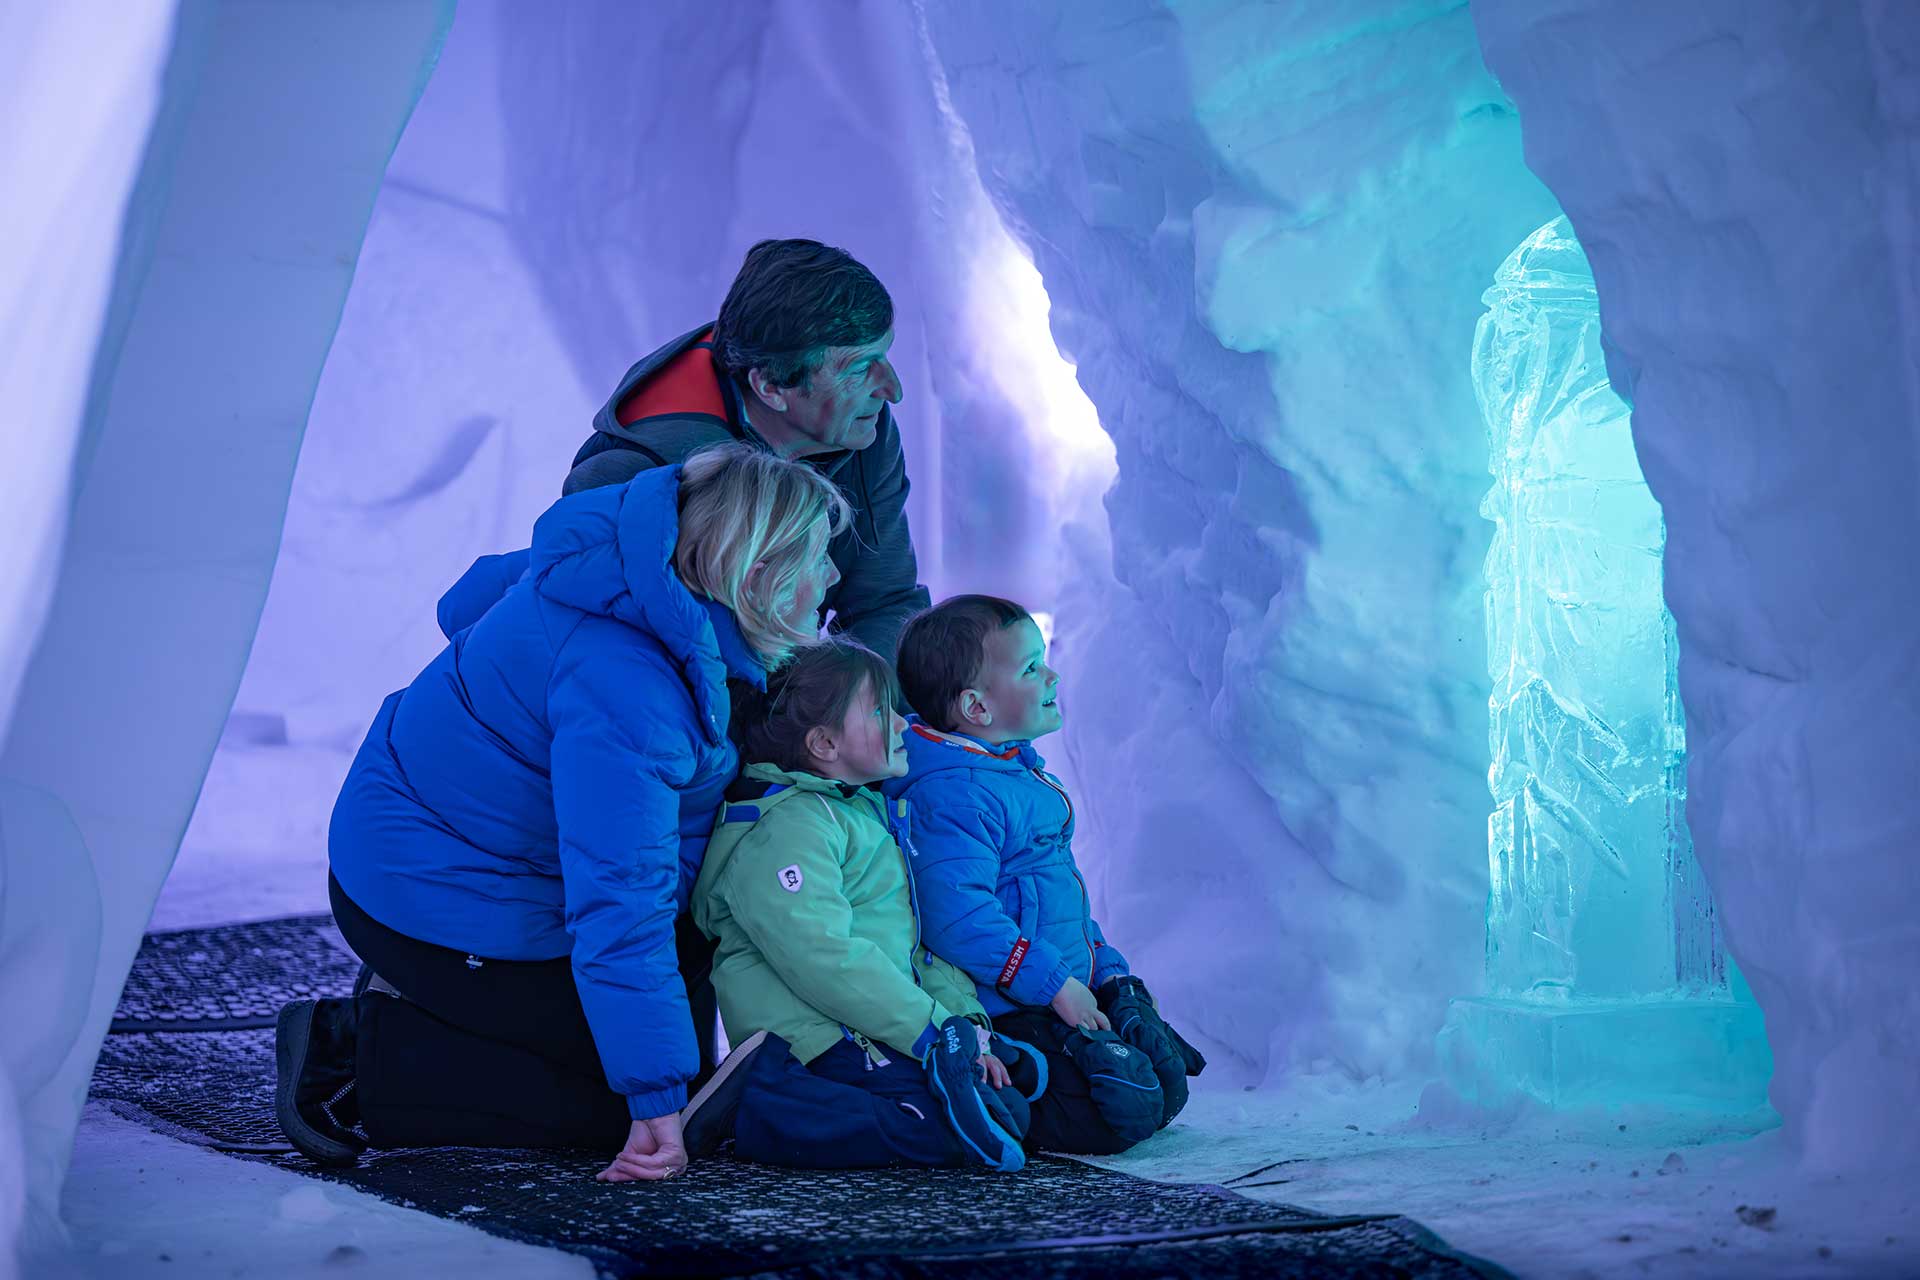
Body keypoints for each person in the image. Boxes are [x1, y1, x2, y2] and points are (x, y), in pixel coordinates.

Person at [274, 443, 847, 1183]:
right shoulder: (627, 689)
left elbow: (473, 597)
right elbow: (618, 897)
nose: (831, 578)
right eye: (817, 559)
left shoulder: (623, 567)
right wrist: (651, 1103)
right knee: (617, 1102)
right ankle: (353, 1052)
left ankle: (449, 1006)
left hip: (471, 854)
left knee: (667, 1030)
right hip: (422, 890)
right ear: (757, 575)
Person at [670, 641, 1038, 1174]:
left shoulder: (862, 813)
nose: (902, 724)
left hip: (865, 1025)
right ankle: (762, 1099)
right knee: (942, 1128)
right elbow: (823, 956)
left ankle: (798, 1102)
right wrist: (931, 1032)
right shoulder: (789, 827)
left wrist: (962, 1026)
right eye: (879, 711)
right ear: (823, 743)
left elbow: (909, 949)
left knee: (1006, 1112)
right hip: (811, 1037)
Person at [886, 595, 1207, 1156]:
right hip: (1014, 1008)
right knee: (1117, 1116)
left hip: (1060, 991)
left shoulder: (1012, 770)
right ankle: (1003, 1088)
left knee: (1161, 1085)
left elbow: (1063, 901)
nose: (1051, 674)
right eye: (1032, 668)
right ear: (976, 708)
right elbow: (955, 917)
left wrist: (1109, 976)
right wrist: (1055, 984)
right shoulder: (955, 793)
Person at [566, 238, 930, 661]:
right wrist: (798, 718)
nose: (893, 390)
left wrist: (861, 711)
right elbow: (618, 665)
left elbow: (885, 605)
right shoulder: (632, 475)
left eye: (883, 355)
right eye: (859, 367)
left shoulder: (859, 427)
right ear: (771, 387)